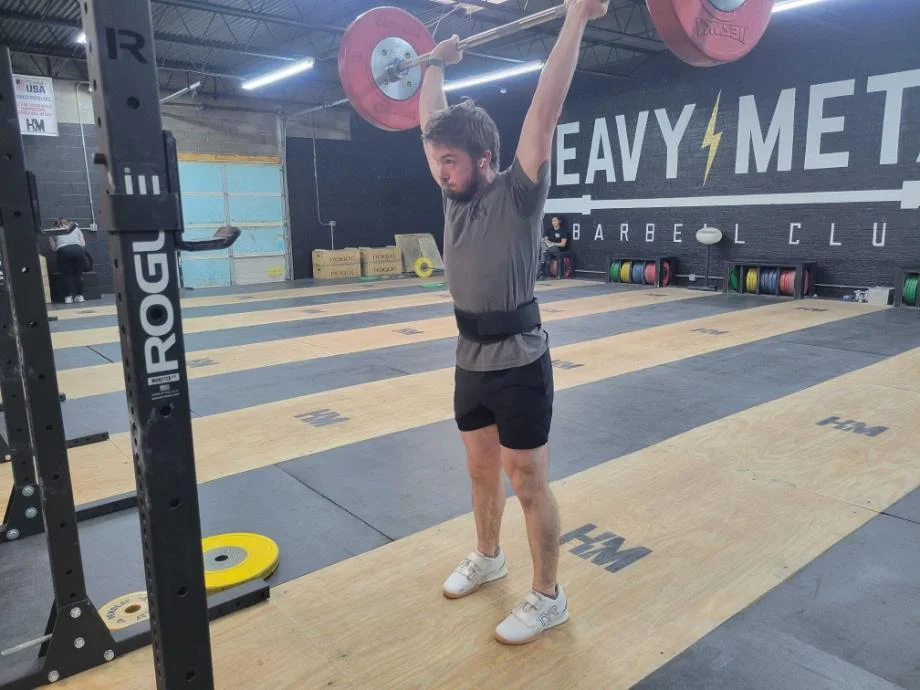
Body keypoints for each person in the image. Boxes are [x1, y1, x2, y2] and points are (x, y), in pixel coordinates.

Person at [418, 0, 609, 645]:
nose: (440, 172)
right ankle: (488, 556)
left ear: (485, 158)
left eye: (450, 161)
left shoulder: (518, 193)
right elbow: (428, 122)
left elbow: (542, 112)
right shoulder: (453, 200)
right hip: (469, 359)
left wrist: (576, 18)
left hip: (521, 359)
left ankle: (548, 595)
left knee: (527, 480)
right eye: (435, 161)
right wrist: (436, 68)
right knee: (478, 472)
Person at [48, 218, 87, 304]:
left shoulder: (52, 231)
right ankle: (80, 296)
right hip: (78, 250)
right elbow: (83, 243)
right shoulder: (75, 228)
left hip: (63, 251)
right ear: (69, 222)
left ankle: (68, 298)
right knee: (79, 274)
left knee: (66, 274)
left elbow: (54, 248)